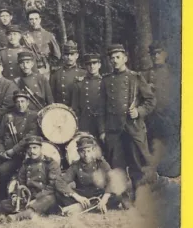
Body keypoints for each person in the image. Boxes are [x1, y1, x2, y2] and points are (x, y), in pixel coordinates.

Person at [102, 44, 156, 193]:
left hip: (132, 127)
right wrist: (102, 130)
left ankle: (140, 195)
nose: (115, 60)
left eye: (118, 57)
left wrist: (139, 112)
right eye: (112, 58)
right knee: (116, 164)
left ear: (125, 58)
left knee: (136, 163)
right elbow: (101, 108)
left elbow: (150, 100)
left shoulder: (135, 77)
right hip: (114, 128)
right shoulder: (106, 80)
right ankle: (122, 196)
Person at [4, 135, 68, 222]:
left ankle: (20, 216)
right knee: (4, 204)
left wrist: (36, 199)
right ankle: (33, 212)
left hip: (45, 195)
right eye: (29, 148)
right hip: (30, 195)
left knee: (48, 199)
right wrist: (16, 195)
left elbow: (52, 187)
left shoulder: (50, 163)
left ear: (41, 148)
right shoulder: (26, 164)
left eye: (35, 148)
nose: (32, 151)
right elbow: (20, 182)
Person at [56, 135, 121, 215]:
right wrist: (77, 197)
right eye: (83, 151)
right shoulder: (75, 166)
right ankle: (93, 206)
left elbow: (112, 179)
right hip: (82, 195)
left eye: (89, 151)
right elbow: (60, 182)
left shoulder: (101, 163)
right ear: (78, 152)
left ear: (93, 150)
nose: (86, 154)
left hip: (99, 194)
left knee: (118, 195)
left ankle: (80, 207)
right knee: (58, 193)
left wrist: (104, 199)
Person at [0, 91, 40, 194]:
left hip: (20, 154)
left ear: (28, 103)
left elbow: (28, 138)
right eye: (17, 102)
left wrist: (13, 151)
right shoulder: (8, 116)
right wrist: (1, 152)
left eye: (22, 101)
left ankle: (3, 195)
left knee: (3, 170)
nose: (20, 104)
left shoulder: (34, 116)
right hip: (4, 152)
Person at [143, 41, 179, 176]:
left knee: (170, 144)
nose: (156, 56)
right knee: (153, 144)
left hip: (170, 116)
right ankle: (155, 173)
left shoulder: (173, 73)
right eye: (154, 54)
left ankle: (171, 172)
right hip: (152, 117)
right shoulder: (147, 74)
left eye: (159, 53)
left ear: (165, 54)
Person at [71, 53, 105, 141]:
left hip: (103, 124)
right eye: (89, 64)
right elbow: (75, 108)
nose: (92, 66)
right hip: (85, 123)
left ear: (99, 65)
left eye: (94, 63)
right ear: (85, 66)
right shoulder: (79, 84)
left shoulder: (105, 82)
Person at [22, 9, 61, 76]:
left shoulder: (48, 35)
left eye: (36, 19)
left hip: (44, 68)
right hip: (29, 68)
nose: (34, 21)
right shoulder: (24, 36)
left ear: (40, 19)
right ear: (28, 21)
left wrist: (49, 63)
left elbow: (57, 55)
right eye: (31, 19)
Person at [50, 41, 86, 106]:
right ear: (63, 56)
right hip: (61, 110)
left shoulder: (83, 73)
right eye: (67, 54)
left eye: (72, 54)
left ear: (77, 55)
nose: (69, 57)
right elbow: (52, 96)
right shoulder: (56, 74)